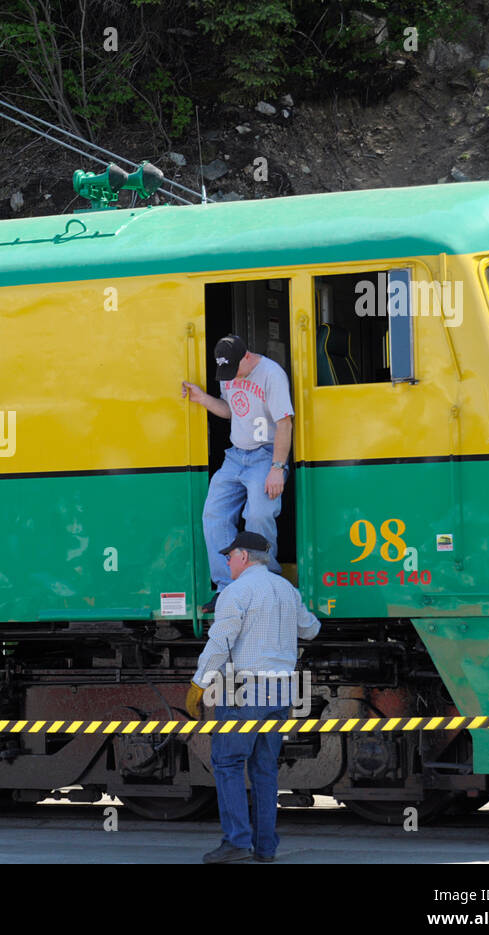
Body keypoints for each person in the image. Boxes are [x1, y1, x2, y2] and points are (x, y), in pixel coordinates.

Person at [185, 531, 320, 863]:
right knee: (264, 768)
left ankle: (236, 842)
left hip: (246, 691)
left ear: (244, 556)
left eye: (229, 556)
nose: (227, 562)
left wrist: (199, 684)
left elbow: (219, 644)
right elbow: (312, 629)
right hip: (283, 692)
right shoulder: (287, 590)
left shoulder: (236, 592)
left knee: (228, 762)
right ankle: (265, 847)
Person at [182, 334, 294, 613]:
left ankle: (264, 582)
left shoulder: (271, 374)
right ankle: (228, 589)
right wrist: (202, 398)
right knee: (214, 514)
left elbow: (285, 424)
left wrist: (277, 469)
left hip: (266, 454)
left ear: (247, 356)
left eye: (235, 370)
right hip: (235, 455)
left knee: (258, 513)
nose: (231, 377)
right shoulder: (228, 371)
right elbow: (231, 410)